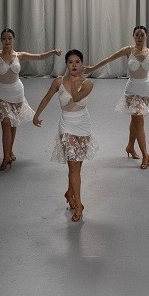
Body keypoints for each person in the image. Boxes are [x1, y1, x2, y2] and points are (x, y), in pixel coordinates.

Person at [85, 26, 149, 169]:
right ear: (133, 36)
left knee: (135, 120)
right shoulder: (128, 50)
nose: (139, 37)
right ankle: (146, 155)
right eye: (137, 35)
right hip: (132, 90)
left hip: (146, 90)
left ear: (146, 36)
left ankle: (130, 146)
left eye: (142, 35)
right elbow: (109, 59)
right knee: (139, 120)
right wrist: (92, 68)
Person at [0, 28, 62, 171]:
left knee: (13, 124)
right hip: (2, 93)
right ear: (1, 40)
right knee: (6, 124)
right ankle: (5, 157)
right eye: (4, 38)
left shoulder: (19, 55)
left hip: (17, 92)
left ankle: (10, 152)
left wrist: (53, 52)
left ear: (14, 40)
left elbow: (39, 56)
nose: (7, 41)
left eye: (9, 38)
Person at [33, 50, 97, 222]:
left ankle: (69, 193)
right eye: (70, 62)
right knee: (73, 166)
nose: (74, 65)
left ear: (82, 64)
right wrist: (36, 115)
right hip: (66, 125)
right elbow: (47, 98)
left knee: (77, 167)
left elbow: (76, 98)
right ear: (66, 64)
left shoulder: (88, 84)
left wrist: (76, 82)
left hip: (83, 125)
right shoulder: (58, 82)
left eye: (77, 62)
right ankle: (79, 205)